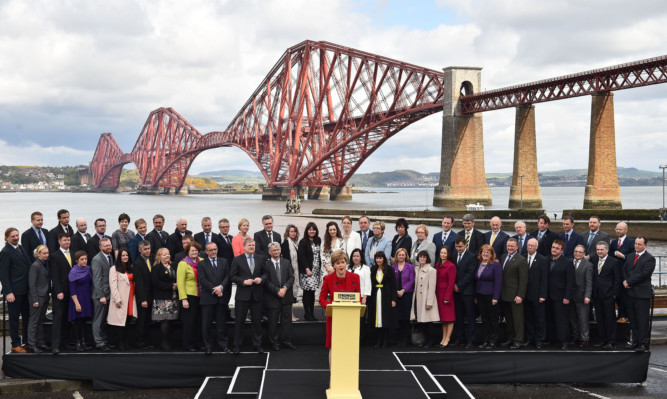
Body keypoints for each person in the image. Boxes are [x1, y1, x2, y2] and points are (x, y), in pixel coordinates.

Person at [230, 238, 268, 354]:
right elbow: (232, 276)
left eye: (253, 245)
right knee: (239, 322)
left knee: (256, 321)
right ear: (244, 247)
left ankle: (257, 345)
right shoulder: (237, 260)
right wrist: (243, 281)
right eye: (249, 245)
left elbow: (266, 274)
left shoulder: (261, 258)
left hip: (257, 295)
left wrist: (260, 279)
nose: (252, 247)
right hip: (242, 295)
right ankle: (237, 345)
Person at [319, 250, 361, 351]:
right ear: (333, 265)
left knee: (349, 346)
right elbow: (321, 299)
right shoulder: (328, 279)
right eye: (338, 263)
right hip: (334, 317)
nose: (341, 265)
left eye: (343, 262)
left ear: (346, 263)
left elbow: (358, 298)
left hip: (350, 317)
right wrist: (331, 306)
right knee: (333, 347)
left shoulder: (355, 278)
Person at [0, 228, 32, 352]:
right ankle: (15, 344)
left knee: (27, 317)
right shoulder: (5, 252)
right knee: (13, 319)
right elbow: (3, 274)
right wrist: (8, 292)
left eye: (17, 235)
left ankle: (27, 341)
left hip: (25, 290)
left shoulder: (21, 247)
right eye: (13, 236)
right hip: (14, 292)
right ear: (7, 238)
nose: (16, 238)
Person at [623, 236, 656, 353]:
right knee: (633, 319)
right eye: (636, 244)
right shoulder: (630, 256)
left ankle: (643, 343)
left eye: (639, 244)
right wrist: (625, 281)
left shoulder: (650, 259)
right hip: (630, 293)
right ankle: (635, 341)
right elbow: (625, 270)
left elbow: (644, 274)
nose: (636, 246)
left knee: (642, 320)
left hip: (642, 294)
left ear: (645, 245)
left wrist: (629, 282)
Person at [199, 242, 230, 354]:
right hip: (208, 298)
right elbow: (202, 280)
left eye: (215, 249)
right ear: (206, 251)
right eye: (210, 250)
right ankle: (208, 346)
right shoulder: (202, 264)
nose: (213, 252)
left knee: (221, 323)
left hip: (221, 298)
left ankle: (223, 345)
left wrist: (221, 287)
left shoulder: (224, 261)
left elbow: (227, 276)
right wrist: (215, 289)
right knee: (206, 324)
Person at [264, 242, 296, 351]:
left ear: (280, 250)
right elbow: (266, 281)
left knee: (286, 321)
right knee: (273, 321)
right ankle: (274, 342)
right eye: (274, 250)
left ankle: (286, 341)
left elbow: (291, 278)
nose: (276, 252)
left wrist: (284, 288)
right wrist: (277, 290)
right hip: (273, 297)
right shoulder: (266, 265)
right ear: (269, 252)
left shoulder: (286, 262)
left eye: (278, 250)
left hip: (286, 296)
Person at [590, 241, 621, 349]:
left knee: (610, 319)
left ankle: (611, 341)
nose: (599, 251)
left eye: (602, 249)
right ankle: (603, 340)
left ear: (607, 250)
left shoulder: (614, 262)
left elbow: (617, 280)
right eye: (598, 249)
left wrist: (614, 295)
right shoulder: (593, 261)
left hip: (608, 295)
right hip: (596, 295)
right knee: (600, 319)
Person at [499, 238, 528, 349]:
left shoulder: (521, 260)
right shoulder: (503, 257)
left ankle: (519, 340)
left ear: (517, 247)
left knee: (518, 320)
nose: (510, 248)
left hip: (515, 295)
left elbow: (523, 280)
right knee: (509, 319)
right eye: (508, 246)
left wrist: (520, 295)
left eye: (512, 246)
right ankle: (511, 338)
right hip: (505, 294)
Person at [107, 249, 137, 351]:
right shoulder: (114, 268)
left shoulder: (131, 268)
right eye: (123, 255)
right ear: (119, 257)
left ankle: (126, 342)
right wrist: (117, 299)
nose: (125, 257)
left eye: (126, 255)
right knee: (120, 323)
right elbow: (113, 285)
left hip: (131, 298)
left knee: (128, 321)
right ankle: (120, 343)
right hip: (121, 299)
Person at [366, 251, 397, 348]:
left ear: (384, 258)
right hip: (375, 296)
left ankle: (385, 340)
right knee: (377, 318)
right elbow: (369, 284)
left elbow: (393, 286)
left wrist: (393, 299)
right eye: (377, 258)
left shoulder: (389, 269)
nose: (378, 260)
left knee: (385, 318)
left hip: (386, 297)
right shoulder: (373, 269)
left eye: (380, 258)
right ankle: (378, 340)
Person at [548, 239, 575, 350]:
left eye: (557, 248)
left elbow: (570, 282)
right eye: (553, 247)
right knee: (551, 319)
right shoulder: (547, 260)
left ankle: (564, 341)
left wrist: (567, 296)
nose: (554, 250)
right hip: (548, 296)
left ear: (562, 250)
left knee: (562, 320)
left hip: (561, 297)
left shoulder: (568, 262)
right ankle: (553, 339)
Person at [474, 244, 502, 350]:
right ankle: (485, 340)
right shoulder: (479, 263)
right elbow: (477, 280)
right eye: (483, 252)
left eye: (487, 252)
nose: (485, 254)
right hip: (480, 295)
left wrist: (496, 297)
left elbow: (498, 283)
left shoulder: (496, 265)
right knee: (484, 320)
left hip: (491, 296)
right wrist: (476, 295)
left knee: (493, 319)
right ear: (481, 253)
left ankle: (493, 341)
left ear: (491, 254)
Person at [151, 248, 179, 351]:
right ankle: (164, 342)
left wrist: (176, 284)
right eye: (164, 255)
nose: (167, 256)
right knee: (165, 321)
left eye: (168, 254)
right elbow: (155, 282)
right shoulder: (156, 268)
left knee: (171, 320)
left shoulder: (174, 266)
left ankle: (169, 341)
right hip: (162, 298)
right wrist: (170, 286)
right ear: (159, 256)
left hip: (173, 297)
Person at [50, 233, 74, 353]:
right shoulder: (55, 256)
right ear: (59, 241)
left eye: (68, 240)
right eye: (65, 240)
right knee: (58, 318)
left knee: (68, 318)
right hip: (60, 292)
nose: (67, 242)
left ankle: (66, 342)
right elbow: (54, 275)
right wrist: (59, 291)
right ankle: (56, 345)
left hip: (72, 292)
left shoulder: (74, 254)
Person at [452, 237, 477, 348]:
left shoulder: (471, 257)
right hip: (456, 292)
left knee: (470, 317)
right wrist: (454, 285)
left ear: (465, 245)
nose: (458, 249)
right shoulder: (453, 255)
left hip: (467, 292)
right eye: (456, 247)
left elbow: (471, 274)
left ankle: (471, 340)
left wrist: (459, 285)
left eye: (460, 247)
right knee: (459, 317)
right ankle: (460, 338)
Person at [178, 242, 203, 351]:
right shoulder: (183, 263)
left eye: (196, 250)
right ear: (188, 251)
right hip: (189, 296)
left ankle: (199, 343)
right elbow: (180, 283)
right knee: (189, 322)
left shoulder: (202, 261)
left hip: (201, 296)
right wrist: (184, 299)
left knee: (199, 321)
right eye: (192, 250)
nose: (195, 252)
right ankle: (188, 344)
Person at [411, 250, 439, 347]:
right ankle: (424, 340)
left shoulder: (431, 270)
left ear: (427, 258)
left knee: (428, 322)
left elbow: (432, 287)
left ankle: (431, 341)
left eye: (424, 257)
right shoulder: (416, 269)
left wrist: (429, 302)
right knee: (422, 322)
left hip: (426, 299)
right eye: (420, 257)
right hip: (418, 299)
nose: (422, 259)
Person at [524, 238, 549, 349]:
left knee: (539, 319)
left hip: (538, 295)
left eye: (532, 245)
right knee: (528, 318)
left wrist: (543, 295)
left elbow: (544, 279)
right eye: (528, 245)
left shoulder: (542, 260)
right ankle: (530, 338)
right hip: (525, 295)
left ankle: (539, 339)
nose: (530, 247)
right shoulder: (522, 257)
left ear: (536, 247)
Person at [91, 237, 114, 351]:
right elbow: (97, 280)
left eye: (109, 245)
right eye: (106, 246)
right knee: (98, 320)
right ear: (100, 248)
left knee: (104, 320)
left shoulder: (110, 257)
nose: (109, 247)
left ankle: (104, 341)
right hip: (101, 296)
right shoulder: (97, 259)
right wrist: (101, 296)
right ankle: (99, 342)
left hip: (109, 294)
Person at [27, 245, 51, 352]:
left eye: (47, 253)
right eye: (44, 253)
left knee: (41, 321)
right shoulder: (35, 266)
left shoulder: (45, 264)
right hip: (37, 298)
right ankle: (31, 344)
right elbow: (32, 285)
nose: (46, 255)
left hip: (45, 296)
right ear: (38, 254)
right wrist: (35, 300)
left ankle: (41, 342)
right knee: (34, 322)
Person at [68, 250, 93, 351]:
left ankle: (83, 342)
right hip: (78, 299)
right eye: (82, 259)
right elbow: (72, 290)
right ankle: (78, 343)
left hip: (87, 298)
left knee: (84, 322)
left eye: (86, 259)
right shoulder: (73, 272)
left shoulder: (88, 269)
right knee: (77, 322)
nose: (84, 261)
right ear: (77, 260)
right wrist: (77, 304)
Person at [610, 222, 634, 323]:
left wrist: (623, 256)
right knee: (617, 295)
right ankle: (619, 315)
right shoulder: (614, 242)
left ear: (626, 230)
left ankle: (625, 315)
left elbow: (634, 257)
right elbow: (610, 255)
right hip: (615, 273)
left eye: (620, 229)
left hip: (626, 273)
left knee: (624, 295)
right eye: (617, 229)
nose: (618, 231)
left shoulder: (631, 242)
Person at [570, 245, 593, 347]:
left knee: (583, 319)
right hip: (570, 297)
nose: (577, 253)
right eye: (576, 251)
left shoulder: (588, 265)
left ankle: (585, 339)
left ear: (584, 254)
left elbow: (589, 282)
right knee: (573, 319)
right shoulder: (569, 262)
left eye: (580, 252)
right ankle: (576, 337)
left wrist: (587, 296)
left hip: (582, 297)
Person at [297, 222, 322, 321]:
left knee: (313, 292)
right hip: (307, 271)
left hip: (316, 271)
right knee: (307, 292)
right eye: (310, 229)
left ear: (316, 231)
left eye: (313, 229)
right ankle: (307, 313)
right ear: (307, 231)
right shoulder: (303, 241)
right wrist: (307, 269)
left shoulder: (318, 240)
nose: (312, 231)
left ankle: (312, 313)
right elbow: (301, 256)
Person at [133, 240, 154, 349]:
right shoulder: (137, 263)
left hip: (151, 295)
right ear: (140, 250)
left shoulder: (151, 259)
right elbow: (139, 283)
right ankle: (139, 341)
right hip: (143, 297)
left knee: (148, 321)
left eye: (148, 248)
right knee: (142, 320)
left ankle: (146, 340)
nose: (147, 251)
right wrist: (143, 299)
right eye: (145, 249)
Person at [391, 248, 414, 347]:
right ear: (396, 256)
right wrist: (396, 291)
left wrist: (403, 290)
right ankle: (397, 339)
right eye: (399, 255)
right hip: (395, 295)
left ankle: (405, 339)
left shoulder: (410, 267)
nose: (401, 256)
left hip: (406, 294)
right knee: (397, 318)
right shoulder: (392, 267)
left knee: (405, 318)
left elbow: (412, 280)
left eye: (403, 255)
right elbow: (391, 281)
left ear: (406, 256)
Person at [213, 218, 235, 321]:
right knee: (223, 293)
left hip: (232, 270)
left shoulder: (232, 238)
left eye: (227, 226)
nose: (225, 229)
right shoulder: (216, 239)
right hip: (221, 270)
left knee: (229, 292)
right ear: (219, 228)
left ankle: (227, 313)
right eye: (223, 227)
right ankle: (223, 315)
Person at [435, 246, 456, 348]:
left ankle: (447, 339)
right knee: (443, 319)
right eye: (441, 252)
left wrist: (447, 297)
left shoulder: (451, 266)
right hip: (438, 294)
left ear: (448, 255)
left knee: (449, 318)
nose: (442, 255)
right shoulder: (437, 265)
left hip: (446, 295)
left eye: (445, 253)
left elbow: (451, 283)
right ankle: (443, 338)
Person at [281, 224, 302, 321]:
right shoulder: (285, 244)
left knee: (293, 292)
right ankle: (290, 315)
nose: (293, 233)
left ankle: (290, 314)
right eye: (291, 231)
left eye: (294, 231)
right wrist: (290, 272)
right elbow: (285, 260)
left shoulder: (296, 243)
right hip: (290, 272)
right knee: (289, 294)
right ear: (287, 233)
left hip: (296, 271)